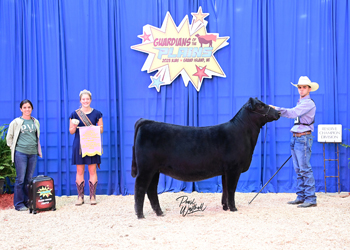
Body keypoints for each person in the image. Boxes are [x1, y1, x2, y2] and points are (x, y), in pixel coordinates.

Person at [270, 76, 319, 208]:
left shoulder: (308, 103)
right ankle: (301, 196)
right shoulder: (301, 102)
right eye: (299, 87)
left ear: (309, 89)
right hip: (297, 137)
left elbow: (292, 113)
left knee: (304, 169)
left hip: (303, 138)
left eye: (304, 87)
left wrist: (276, 108)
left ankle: (310, 198)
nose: (301, 89)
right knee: (299, 169)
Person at [6, 100, 42, 211]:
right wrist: (15, 149)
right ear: (21, 109)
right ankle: (19, 204)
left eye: (29, 107)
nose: (27, 109)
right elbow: (9, 138)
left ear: (32, 108)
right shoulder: (16, 122)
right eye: (24, 107)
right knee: (20, 179)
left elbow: (37, 137)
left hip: (33, 153)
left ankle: (28, 201)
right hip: (20, 153)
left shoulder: (35, 122)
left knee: (28, 179)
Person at [69, 89, 103, 205]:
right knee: (79, 171)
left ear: (90, 100)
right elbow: (71, 131)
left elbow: (101, 129)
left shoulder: (97, 113)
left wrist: (93, 127)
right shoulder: (74, 114)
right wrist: (74, 126)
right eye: (83, 99)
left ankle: (92, 196)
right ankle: (80, 197)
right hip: (79, 145)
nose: (85, 101)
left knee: (92, 170)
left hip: (92, 144)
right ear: (80, 100)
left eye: (87, 99)